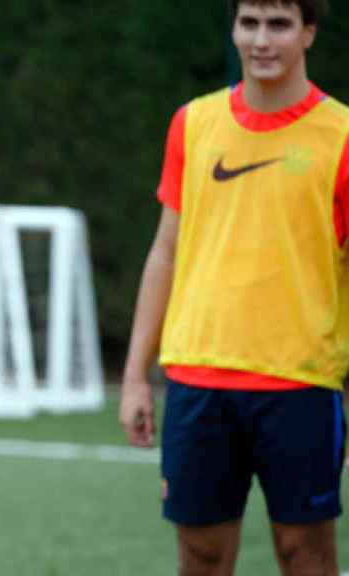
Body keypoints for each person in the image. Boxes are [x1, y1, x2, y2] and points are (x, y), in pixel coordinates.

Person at [120, 0, 346, 574]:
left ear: (309, 32)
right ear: (234, 30)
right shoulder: (193, 124)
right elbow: (164, 254)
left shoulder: (341, 136)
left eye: (279, 24)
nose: (262, 39)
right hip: (198, 379)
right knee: (201, 556)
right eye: (249, 23)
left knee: (306, 554)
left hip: (301, 381)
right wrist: (135, 378)